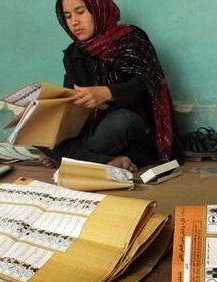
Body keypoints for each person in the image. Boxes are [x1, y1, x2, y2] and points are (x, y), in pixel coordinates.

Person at [39, 0, 174, 172]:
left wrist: (107, 93)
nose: (74, 22)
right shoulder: (73, 54)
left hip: (132, 129)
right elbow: (71, 97)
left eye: (80, 12)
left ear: (98, 10)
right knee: (36, 132)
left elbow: (148, 86)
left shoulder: (131, 40)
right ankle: (107, 162)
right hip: (90, 130)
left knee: (120, 122)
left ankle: (67, 156)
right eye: (68, 16)